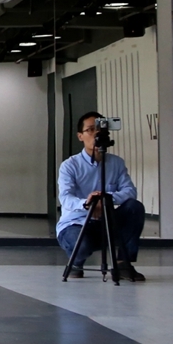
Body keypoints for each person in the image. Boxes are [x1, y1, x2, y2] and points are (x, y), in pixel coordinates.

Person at [57, 112, 146, 282]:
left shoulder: (116, 163)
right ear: (80, 136)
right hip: (76, 223)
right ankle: (76, 262)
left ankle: (123, 263)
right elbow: (66, 198)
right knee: (81, 245)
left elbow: (129, 191)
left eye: (99, 129)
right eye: (90, 130)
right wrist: (88, 203)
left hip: (105, 221)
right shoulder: (69, 166)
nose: (96, 134)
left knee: (134, 207)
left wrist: (106, 199)